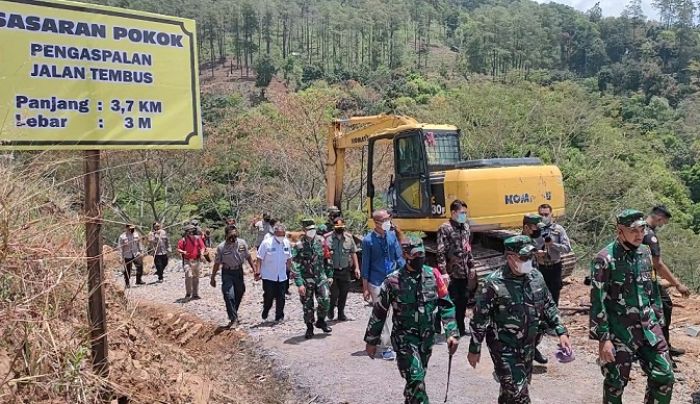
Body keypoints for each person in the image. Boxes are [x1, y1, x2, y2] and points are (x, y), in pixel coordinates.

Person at [468, 235, 571, 404]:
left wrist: (561, 330)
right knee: (519, 393)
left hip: (528, 346)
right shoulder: (494, 283)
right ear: (510, 257)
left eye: (531, 255)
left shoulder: (536, 277)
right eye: (524, 257)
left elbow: (548, 305)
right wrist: (474, 348)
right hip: (504, 347)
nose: (529, 260)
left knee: (510, 393)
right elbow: (480, 318)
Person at [589, 209, 674, 404]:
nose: (639, 235)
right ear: (620, 231)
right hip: (620, 332)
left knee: (665, 375)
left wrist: (659, 321)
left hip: (649, 328)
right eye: (633, 230)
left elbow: (652, 288)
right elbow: (597, 302)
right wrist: (604, 339)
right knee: (615, 383)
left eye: (642, 229)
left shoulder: (645, 252)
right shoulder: (604, 259)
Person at [365, 236, 459, 404]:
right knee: (416, 379)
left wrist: (451, 332)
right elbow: (379, 311)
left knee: (416, 381)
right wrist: (372, 340)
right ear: (406, 255)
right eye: (415, 255)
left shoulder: (433, 275)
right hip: (404, 339)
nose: (420, 258)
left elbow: (446, 304)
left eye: (421, 254)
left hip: (426, 338)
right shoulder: (392, 281)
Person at [644, 205, 691, 362]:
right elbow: (658, 264)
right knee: (663, 309)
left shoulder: (639, 229)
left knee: (663, 306)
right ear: (659, 218)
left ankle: (665, 346)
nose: (662, 225)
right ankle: (662, 352)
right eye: (663, 222)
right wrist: (677, 284)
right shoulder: (650, 236)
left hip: (642, 277)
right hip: (646, 280)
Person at [361, 209, 406, 360]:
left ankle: (397, 342)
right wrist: (365, 287)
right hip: (376, 282)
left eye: (389, 218)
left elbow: (399, 257)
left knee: (397, 312)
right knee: (382, 315)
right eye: (386, 219)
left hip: (394, 280)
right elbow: (365, 265)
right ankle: (386, 346)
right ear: (377, 222)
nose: (389, 221)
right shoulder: (368, 241)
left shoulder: (392, 236)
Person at [436, 199, 476, 337]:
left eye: (465, 213)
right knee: (451, 300)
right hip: (451, 272)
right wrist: (444, 273)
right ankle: (450, 327)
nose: (464, 215)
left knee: (463, 300)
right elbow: (440, 252)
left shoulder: (465, 227)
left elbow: (468, 248)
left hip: (463, 271)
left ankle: (460, 326)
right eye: (462, 213)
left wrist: (471, 266)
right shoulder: (445, 228)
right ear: (453, 212)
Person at [292, 219, 333, 339]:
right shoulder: (299, 246)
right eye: (309, 229)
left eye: (313, 229)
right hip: (306, 279)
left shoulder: (321, 241)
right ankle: (309, 327)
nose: (312, 231)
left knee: (325, 300)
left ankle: (321, 320)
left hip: (321, 277)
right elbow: (295, 266)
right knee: (307, 305)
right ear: (304, 230)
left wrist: (330, 275)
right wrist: (299, 284)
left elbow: (327, 258)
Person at [210, 224, 255, 328]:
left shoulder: (242, 243)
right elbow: (217, 263)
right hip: (227, 272)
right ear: (226, 236)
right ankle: (234, 319)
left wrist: (255, 270)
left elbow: (248, 257)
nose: (233, 239)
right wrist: (212, 278)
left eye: (235, 236)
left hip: (239, 271)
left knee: (240, 292)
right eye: (231, 236)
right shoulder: (221, 247)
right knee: (228, 294)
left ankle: (233, 313)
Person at [535, 204, 572, 306]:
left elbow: (567, 248)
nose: (544, 217)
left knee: (554, 295)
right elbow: (526, 247)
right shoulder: (534, 231)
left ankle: (554, 317)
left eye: (546, 214)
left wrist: (553, 244)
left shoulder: (558, 230)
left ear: (552, 214)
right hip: (540, 267)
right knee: (540, 295)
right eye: (541, 214)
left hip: (555, 267)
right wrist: (536, 252)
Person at [255, 223, 293, 322]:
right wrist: (258, 271)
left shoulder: (286, 243)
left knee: (281, 297)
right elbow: (259, 258)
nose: (281, 237)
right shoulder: (266, 243)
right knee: (269, 296)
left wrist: (292, 270)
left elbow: (289, 259)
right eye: (279, 234)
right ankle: (266, 309)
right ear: (275, 233)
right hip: (268, 276)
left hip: (282, 275)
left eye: (283, 234)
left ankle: (279, 316)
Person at [324, 218, 360, 321]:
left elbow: (353, 253)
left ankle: (341, 314)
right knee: (334, 293)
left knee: (344, 293)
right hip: (332, 271)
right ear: (334, 226)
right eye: (337, 227)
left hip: (345, 270)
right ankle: (331, 309)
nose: (340, 229)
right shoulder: (327, 238)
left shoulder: (349, 238)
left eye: (341, 227)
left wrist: (357, 268)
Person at [177, 224, 206, 300]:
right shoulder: (183, 240)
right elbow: (178, 249)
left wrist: (202, 254)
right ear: (187, 232)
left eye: (192, 231)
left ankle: (195, 294)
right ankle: (188, 293)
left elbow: (203, 247)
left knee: (196, 277)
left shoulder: (198, 238)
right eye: (189, 231)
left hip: (196, 260)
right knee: (188, 275)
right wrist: (183, 251)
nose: (191, 232)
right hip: (187, 260)